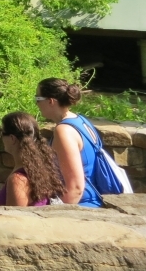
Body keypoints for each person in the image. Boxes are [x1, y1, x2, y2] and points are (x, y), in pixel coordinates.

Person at [35, 78, 102, 207]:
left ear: (51, 101)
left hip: (82, 206)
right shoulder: (80, 120)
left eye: (38, 99)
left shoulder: (64, 131)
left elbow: (75, 189)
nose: (36, 104)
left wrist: (52, 216)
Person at [0, 111, 64, 206]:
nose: (1, 137)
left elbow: (16, 218)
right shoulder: (42, 168)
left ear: (12, 138)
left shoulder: (18, 180)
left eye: (1, 132)